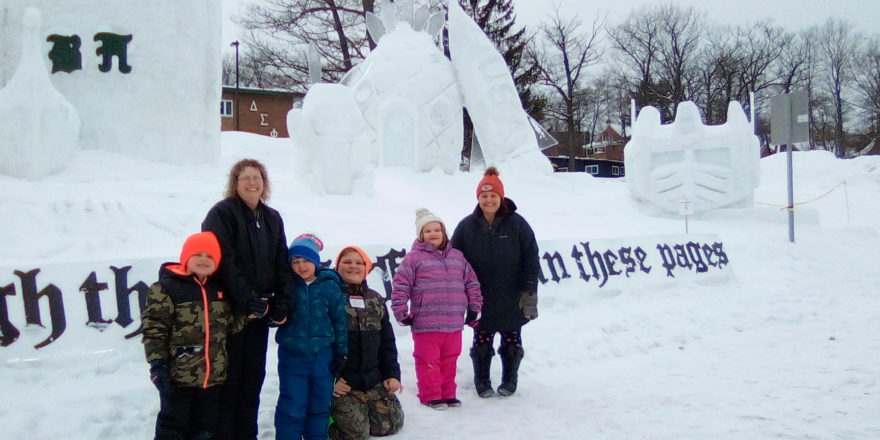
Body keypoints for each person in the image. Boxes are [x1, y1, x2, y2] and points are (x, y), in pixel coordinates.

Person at [201, 158, 294, 440]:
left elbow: (281, 260)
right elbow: (224, 261)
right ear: (235, 183)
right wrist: (246, 299)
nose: (252, 183)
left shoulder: (272, 217)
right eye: (246, 178)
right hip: (230, 312)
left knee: (253, 379)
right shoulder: (222, 214)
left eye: (257, 178)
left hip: (260, 312)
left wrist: (282, 300)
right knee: (229, 381)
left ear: (264, 183)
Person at [142, 231, 245, 440]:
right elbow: (155, 329)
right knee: (173, 429)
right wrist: (157, 365)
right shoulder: (166, 288)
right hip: (178, 379)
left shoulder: (220, 290)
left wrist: (248, 313)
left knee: (204, 430)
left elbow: (229, 327)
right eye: (198, 254)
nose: (204, 260)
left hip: (213, 379)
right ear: (186, 257)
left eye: (210, 256)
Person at [450, 167, 539, 398]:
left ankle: (510, 380)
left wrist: (529, 290)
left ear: (501, 197)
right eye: (484, 196)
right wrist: (458, 292)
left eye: (493, 196)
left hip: (511, 295)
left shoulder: (518, 224)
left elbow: (531, 257)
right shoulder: (466, 226)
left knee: (511, 339)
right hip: (479, 297)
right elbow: (454, 259)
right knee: (482, 339)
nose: (488, 200)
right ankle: (482, 381)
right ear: (478, 198)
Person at [391, 208, 482, 410]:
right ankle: (431, 395)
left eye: (437, 230)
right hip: (426, 323)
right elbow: (401, 286)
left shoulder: (458, 257)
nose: (433, 234)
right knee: (428, 361)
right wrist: (401, 311)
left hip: (453, 323)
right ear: (420, 235)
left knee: (450, 360)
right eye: (427, 231)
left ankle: (448, 393)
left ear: (444, 233)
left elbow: (472, 283)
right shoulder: (413, 259)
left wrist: (474, 307)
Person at [274, 234, 349, 440]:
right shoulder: (286, 286)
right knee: (292, 406)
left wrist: (341, 353)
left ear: (316, 261)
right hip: (292, 356)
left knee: (319, 405)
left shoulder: (329, 286)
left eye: (306, 260)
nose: (301, 266)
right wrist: (275, 313)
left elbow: (339, 322)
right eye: (295, 261)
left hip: (322, 356)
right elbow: (273, 316)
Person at [330, 246, 404, 440]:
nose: (353, 266)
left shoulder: (375, 300)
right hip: (343, 384)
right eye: (347, 262)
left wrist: (391, 375)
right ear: (337, 267)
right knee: (355, 434)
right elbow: (321, 346)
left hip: (372, 380)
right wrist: (332, 380)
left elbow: (387, 342)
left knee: (391, 424)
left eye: (359, 262)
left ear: (367, 267)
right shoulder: (330, 297)